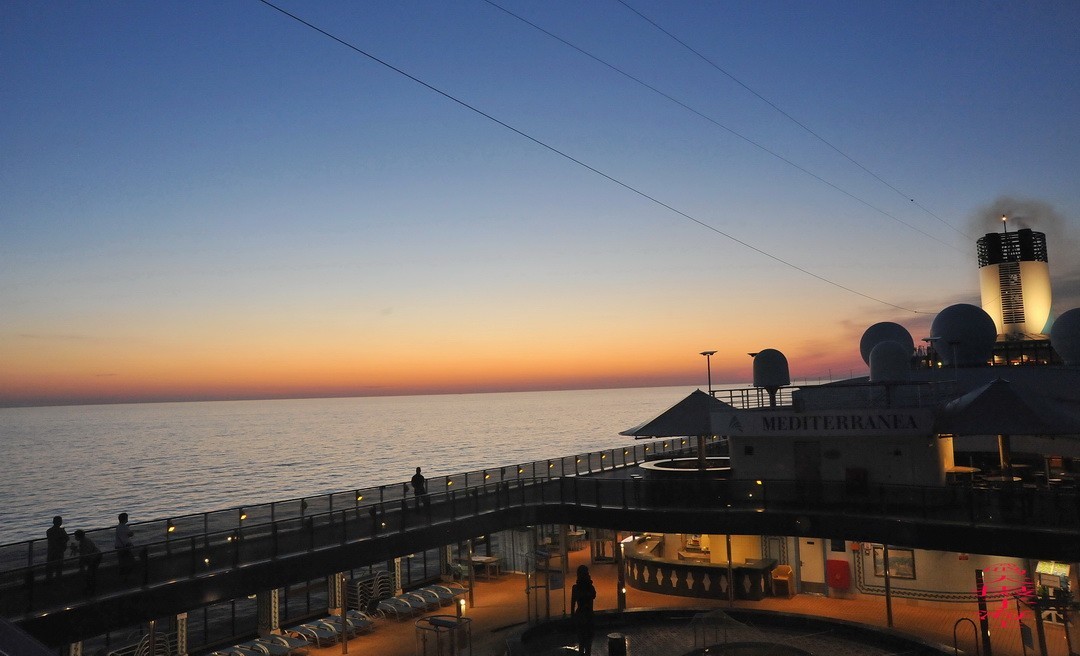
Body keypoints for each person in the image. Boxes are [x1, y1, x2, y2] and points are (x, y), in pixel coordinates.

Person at [570, 564, 596, 655]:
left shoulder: (576, 588)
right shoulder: (590, 587)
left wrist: (572, 616)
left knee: (582, 642)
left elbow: (573, 603)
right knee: (588, 643)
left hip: (581, 616)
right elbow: (593, 595)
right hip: (588, 616)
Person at [72, 530, 102, 594]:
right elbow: (84, 552)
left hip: (95, 557)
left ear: (78, 536)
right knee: (90, 573)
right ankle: (90, 587)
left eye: (75, 536)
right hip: (94, 557)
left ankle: (92, 588)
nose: (75, 537)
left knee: (91, 573)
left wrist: (81, 563)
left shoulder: (84, 542)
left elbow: (85, 553)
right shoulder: (83, 541)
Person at [45, 515, 69, 582]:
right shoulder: (60, 531)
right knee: (57, 568)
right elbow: (66, 538)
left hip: (53, 551)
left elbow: (66, 538)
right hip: (57, 551)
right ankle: (56, 581)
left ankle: (50, 581)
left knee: (52, 568)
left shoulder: (49, 531)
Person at [114, 513, 135, 581]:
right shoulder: (125, 527)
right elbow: (130, 534)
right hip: (125, 547)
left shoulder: (118, 527)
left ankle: (122, 577)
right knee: (130, 561)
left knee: (122, 562)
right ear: (125, 519)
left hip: (119, 546)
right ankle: (127, 577)